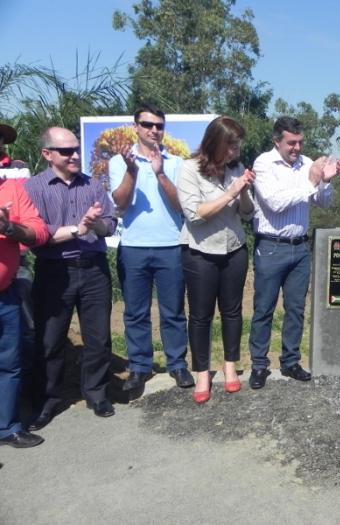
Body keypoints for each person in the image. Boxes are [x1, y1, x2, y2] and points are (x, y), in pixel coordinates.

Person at [25, 127, 118, 428]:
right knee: (50, 340)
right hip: (55, 272)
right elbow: (37, 236)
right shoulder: (34, 189)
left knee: (99, 337)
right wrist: (78, 228)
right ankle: (49, 399)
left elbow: (109, 224)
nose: (75, 155)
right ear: (47, 154)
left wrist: (96, 225)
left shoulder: (92, 185)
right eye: (66, 151)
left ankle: (97, 393)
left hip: (93, 268)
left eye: (76, 149)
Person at [247, 116, 340, 389]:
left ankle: (290, 361)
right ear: (277, 141)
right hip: (271, 245)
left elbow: (323, 202)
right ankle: (259, 365)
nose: (297, 148)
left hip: (300, 246)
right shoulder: (264, 164)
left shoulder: (309, 164)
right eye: (291, 143)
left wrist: (326, 182)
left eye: (300, 142)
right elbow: (275, 203)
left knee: (296, 309)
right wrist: (311, 182)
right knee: (264, 309)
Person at [109, 104, 193, 392]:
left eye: (159, 125)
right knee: (136, 312)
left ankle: (177, 364)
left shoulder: (176, 163)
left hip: (171, 246)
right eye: (148, 124)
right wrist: (132, 171)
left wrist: (160, 174)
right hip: (134, 247)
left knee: (173, 311)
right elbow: (120, 204)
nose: (154, 130)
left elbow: (182, 205)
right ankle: (140, 366)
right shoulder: (120, 161)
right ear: (136, 127)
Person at [177, 116, 255, 404]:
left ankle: (230, 367)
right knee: (200, 315)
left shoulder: (236, 170)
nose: (235, 153)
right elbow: (195, 214)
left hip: (234, 248)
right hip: (200, 250)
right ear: (216, 143)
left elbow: (247, 214)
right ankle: (201, 372)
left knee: (232, 311)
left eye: (237, 147)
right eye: (231, 146)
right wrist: (231, 193)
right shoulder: (190, 169)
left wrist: (244, 191)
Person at [0, 178, 49, 447]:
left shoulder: (12, 189)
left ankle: (7, 427)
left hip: (5, 294)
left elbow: (38, 232)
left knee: (9, 364)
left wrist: (8, 227)